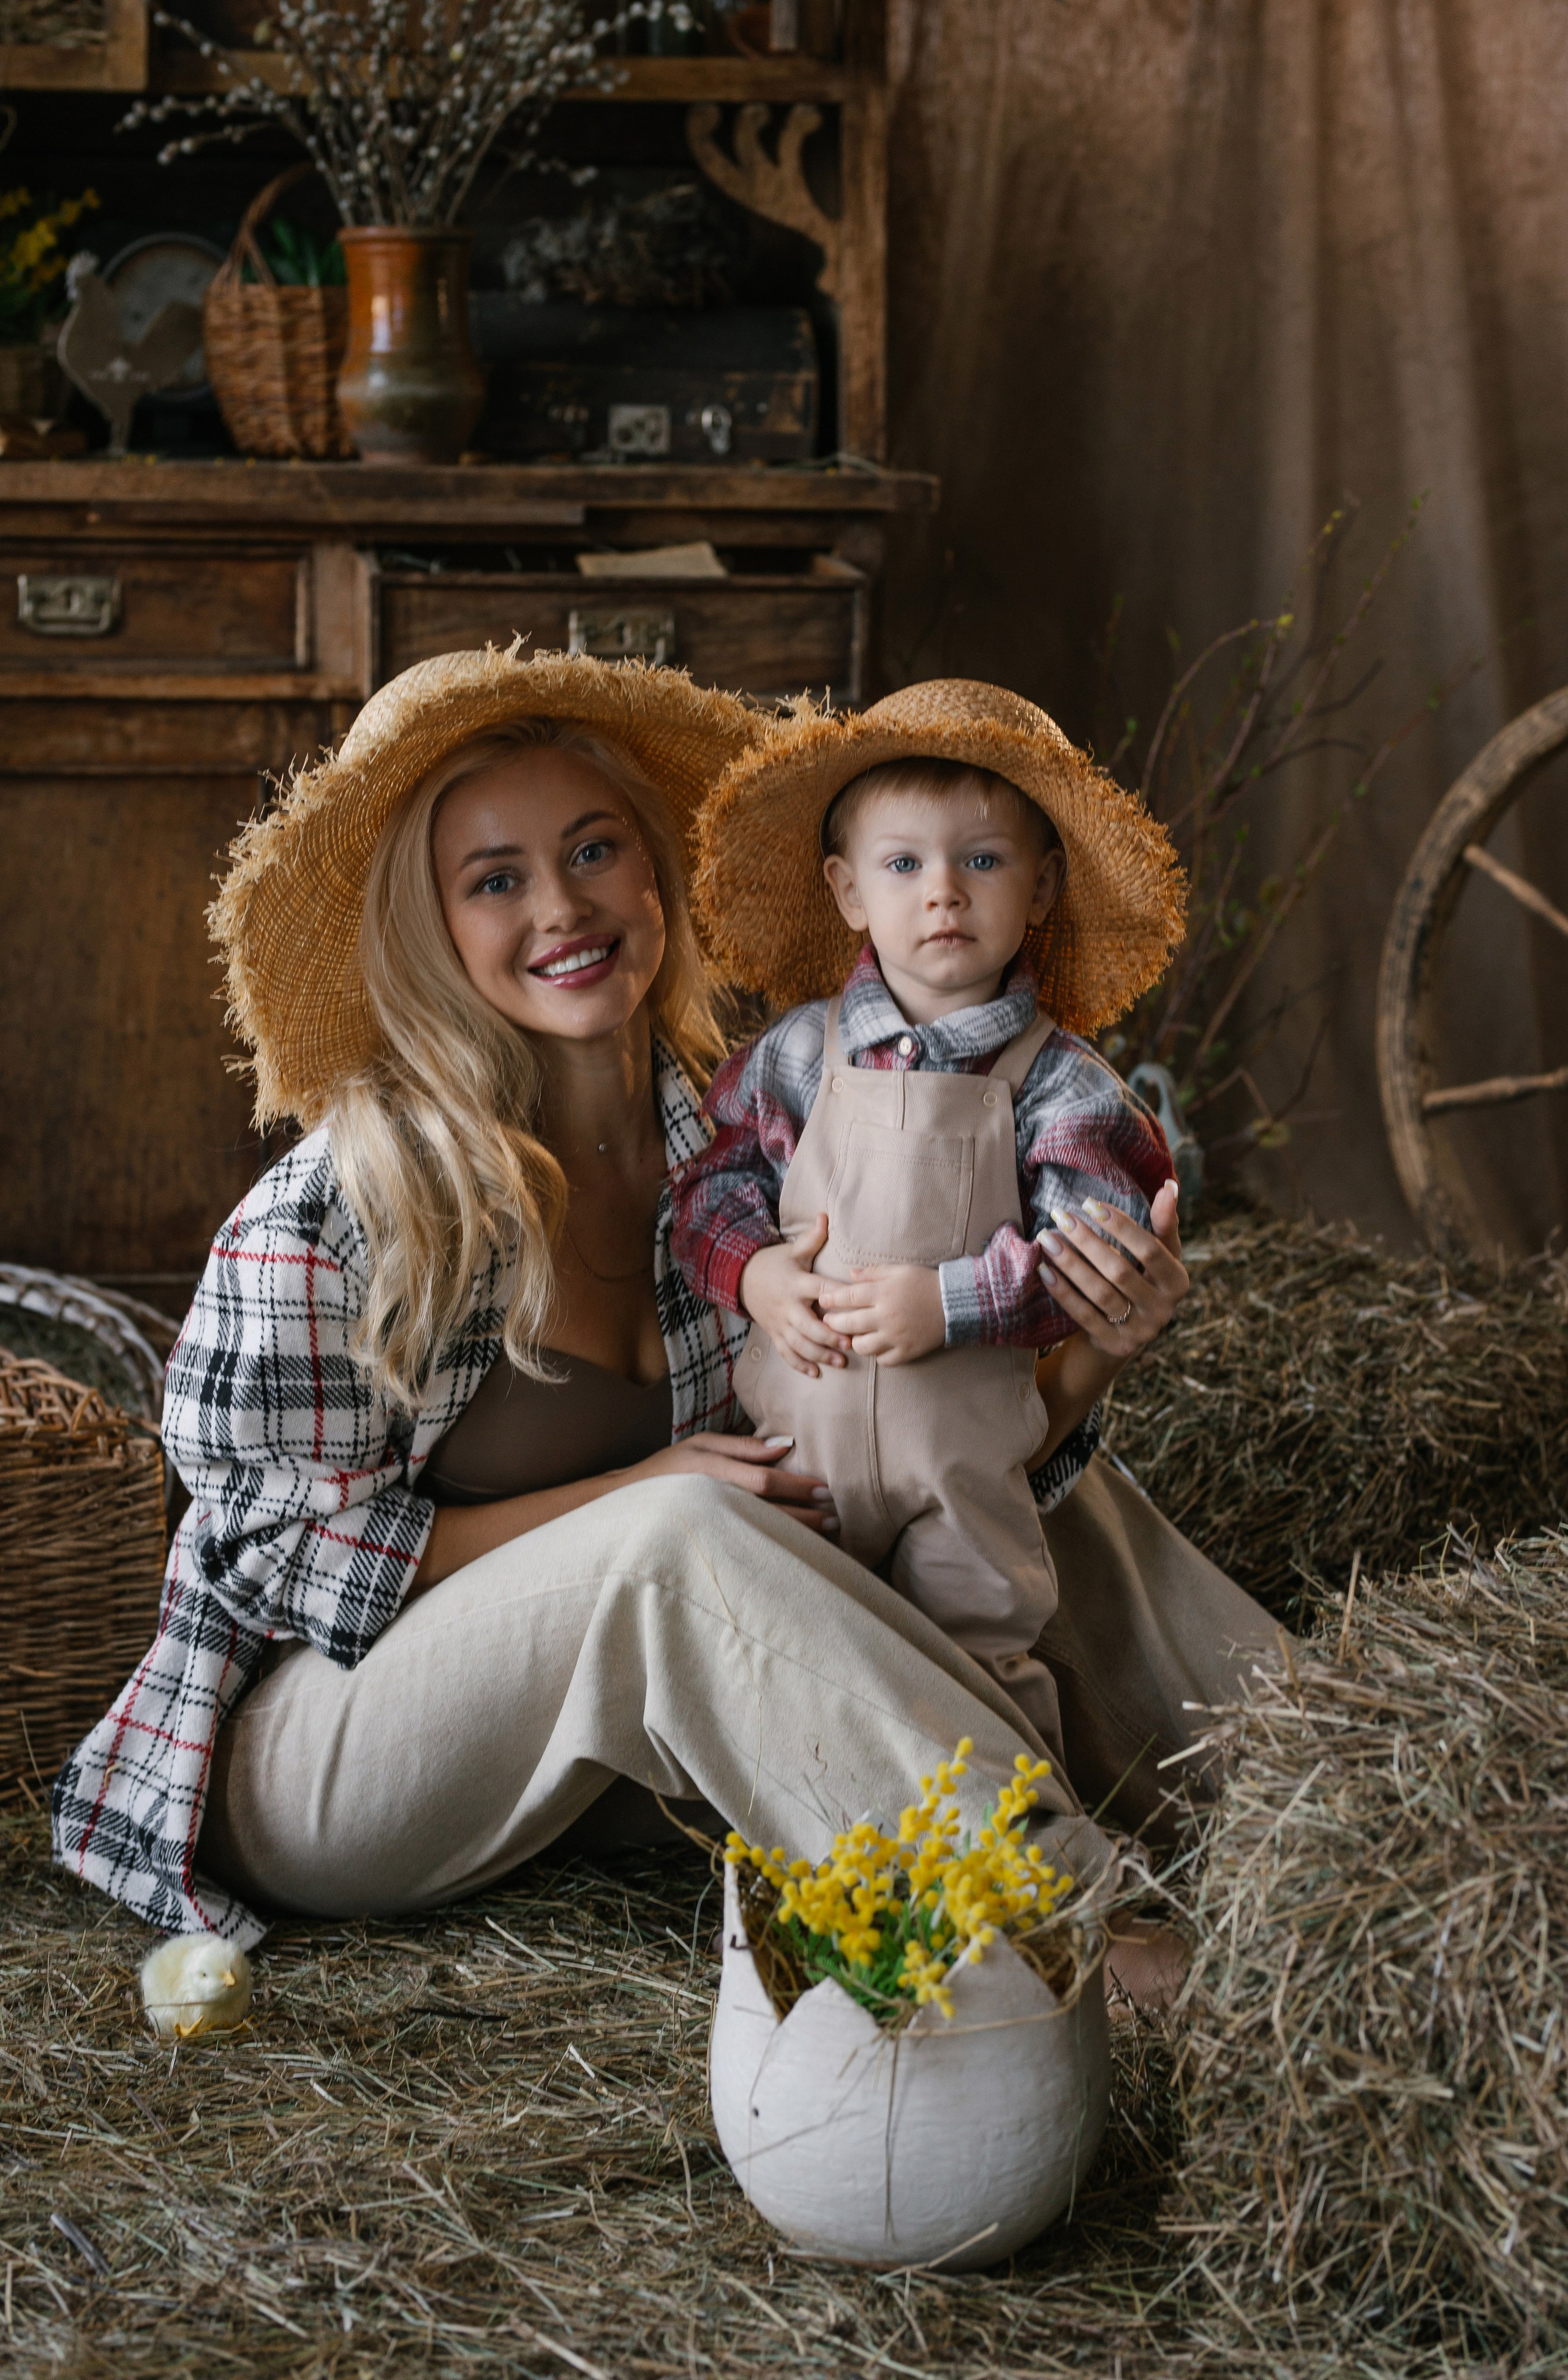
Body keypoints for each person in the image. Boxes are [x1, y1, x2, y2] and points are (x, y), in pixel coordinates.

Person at [50, 649, 1276, 2008]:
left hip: (606, 1748)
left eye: (594, 850)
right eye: (495, 879)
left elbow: (900, 1462)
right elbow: (266, 1555)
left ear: (655, 874)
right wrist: (629, 1491)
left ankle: (1328, 1807)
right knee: (675, 1536)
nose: (562, 906)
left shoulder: (740, 1141)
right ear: (428, 927)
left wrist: (1099, 1340)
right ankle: (1062, 1931)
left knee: (1009, 1473)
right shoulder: (350, 1200)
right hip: (323, 1750)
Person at [674, 679, 1184, 1758]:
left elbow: (1095, 1250)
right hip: (794, 1456)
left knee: (979, 1661)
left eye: (983, 861)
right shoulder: (799, 1052)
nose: (943, 891)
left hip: (963, 1475)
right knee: (793, 1659)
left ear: (1042, 886)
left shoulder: (1059, 1082)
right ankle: (812, 1841)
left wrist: (949, 1302)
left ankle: (1022, 1842)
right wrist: (758, 1274)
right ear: (848, 890)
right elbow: (710, 1191)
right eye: (903, 865)